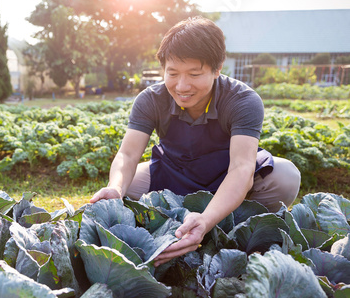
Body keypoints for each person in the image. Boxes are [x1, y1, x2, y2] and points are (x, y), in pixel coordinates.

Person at [89, 16, 301, 267]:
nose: (181, 86)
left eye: (194, 74)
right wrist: (116, 187)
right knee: (128, 185)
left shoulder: (243, 100)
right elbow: (128, 154)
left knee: (286, 177)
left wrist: (207, 220)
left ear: (217, 68)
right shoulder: (150, 99)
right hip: (175, 171)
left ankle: (224, 214)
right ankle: (192, 212)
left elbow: (241, 168)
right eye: (173, 73)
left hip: (228, 173)